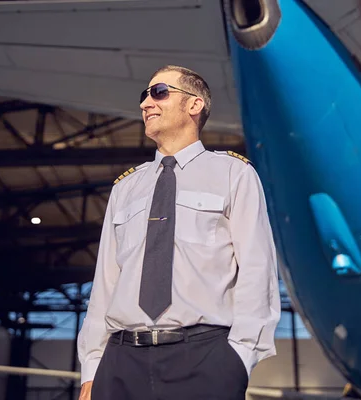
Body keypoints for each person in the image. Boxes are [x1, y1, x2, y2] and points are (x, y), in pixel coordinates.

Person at [77, 65, 281, 400]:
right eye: (144, 96)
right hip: (120, 362)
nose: (145, 104)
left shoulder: (234, 174)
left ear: (194, 104)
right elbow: (105, 285)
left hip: (204, 357)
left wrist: (239, 359)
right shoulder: (125, 188)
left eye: (158, 92)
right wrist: (93, 367)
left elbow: (257, 271)